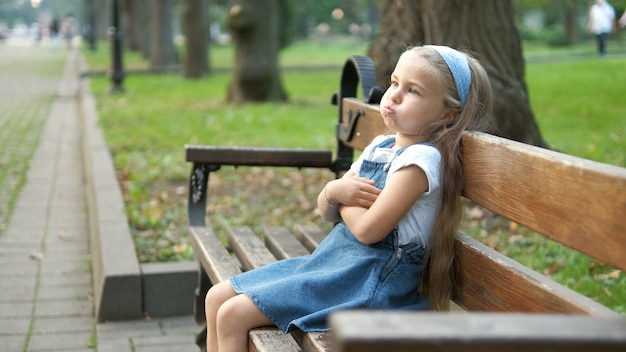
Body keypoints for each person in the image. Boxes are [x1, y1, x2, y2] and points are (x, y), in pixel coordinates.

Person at [204, 44, 493, 352]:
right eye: (394, 82)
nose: (393, 95)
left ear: (447, 113)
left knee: (232, 315)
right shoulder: (382, 146)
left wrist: (341, 198)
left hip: (368, 282)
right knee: (216, 298)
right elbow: (326, 211)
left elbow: (369, 231)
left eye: (413, 91)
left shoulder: (422, 161)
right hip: (333, 266)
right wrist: (332, 193)